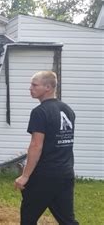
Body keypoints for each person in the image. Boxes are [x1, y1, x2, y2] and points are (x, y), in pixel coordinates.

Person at [14, 71, 78, 225]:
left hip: (44, 176)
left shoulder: (40, 112)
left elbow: (36, 145)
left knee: (28, 219)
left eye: (35, 85)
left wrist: (25, 176)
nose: (30, 88)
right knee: (67, 220)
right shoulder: (67, 110)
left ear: (48, 87)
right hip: (65, 174)